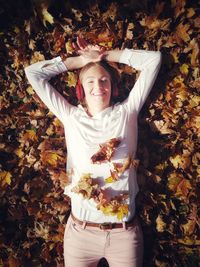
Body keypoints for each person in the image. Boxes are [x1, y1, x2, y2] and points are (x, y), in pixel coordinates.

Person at [25, 36, 162, 267]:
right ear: (81, 89)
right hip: (81, 234)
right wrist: (80, 61)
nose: (98, 87)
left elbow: (153, 60)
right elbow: (33, 73)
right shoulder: (70, 116)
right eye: (90, 81)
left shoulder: (127, 112)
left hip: (123, 234)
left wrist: (104, 56)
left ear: (113, 86)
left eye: (104, 80)